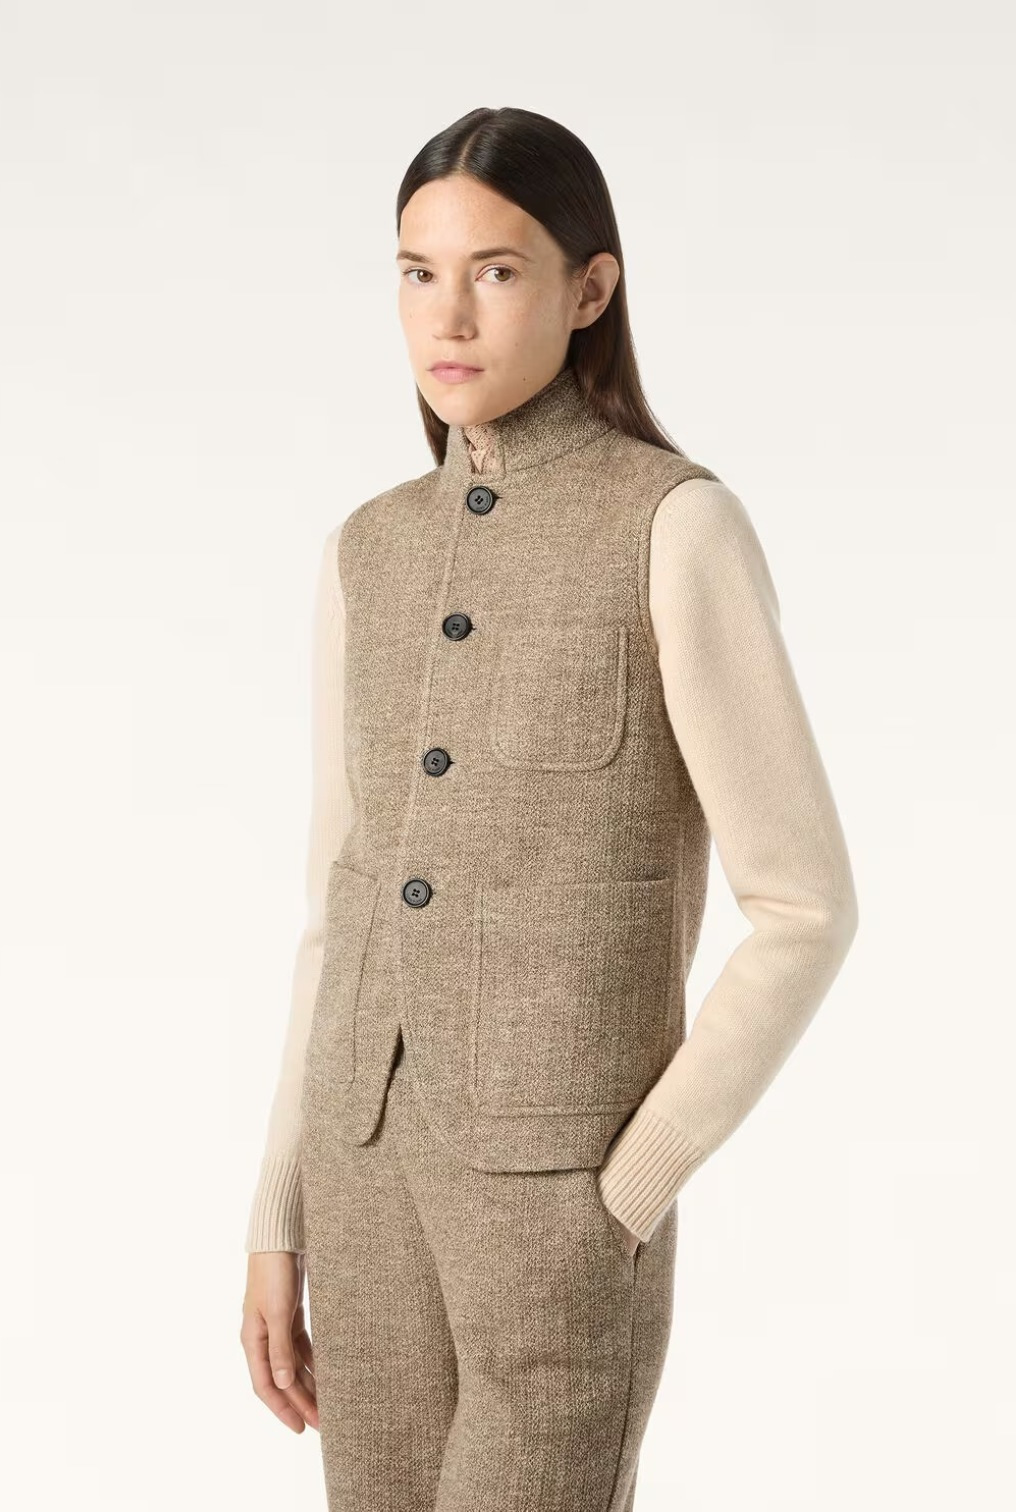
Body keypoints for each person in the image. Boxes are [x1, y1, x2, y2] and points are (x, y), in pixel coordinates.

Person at [239, 106, 858, 1512]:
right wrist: (280, 1207)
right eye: (417, 272)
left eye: (498, 271)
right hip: (363, 1184)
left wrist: (627, 1190)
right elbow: (339, 904)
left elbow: (805, 905)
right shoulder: (367, 551)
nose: (447, 314)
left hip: (559, 1210)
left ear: (590, 289)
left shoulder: (672, 525)